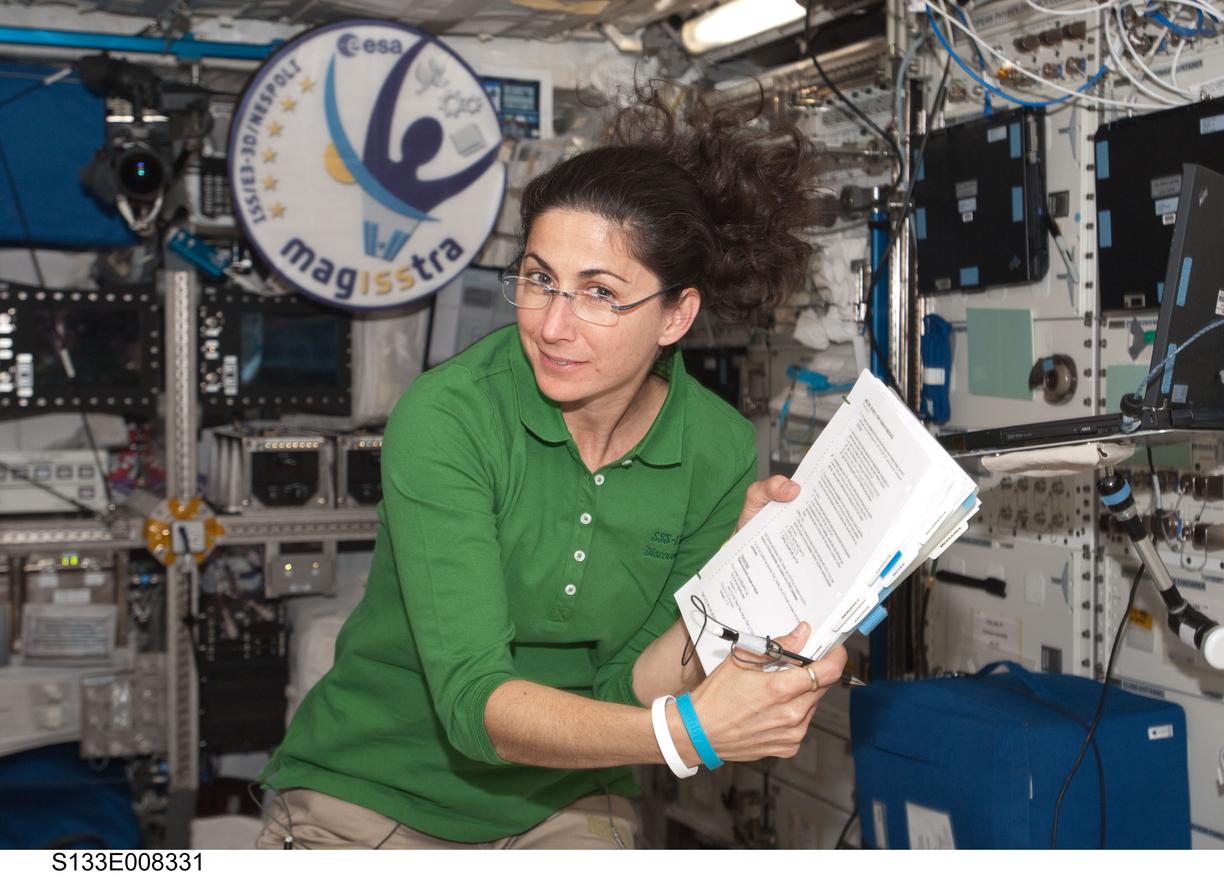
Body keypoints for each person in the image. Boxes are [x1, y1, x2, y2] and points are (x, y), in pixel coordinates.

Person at [255, 84, 846, 850]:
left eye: (600, 293)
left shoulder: (717, 447)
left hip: (560, 804)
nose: (554, 326)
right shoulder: (450, 417)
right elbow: (475, 706)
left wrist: (736, 588)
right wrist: (688, 734)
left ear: (677, 315)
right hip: (369, 795)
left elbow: (629, 681)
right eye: (539, 281)